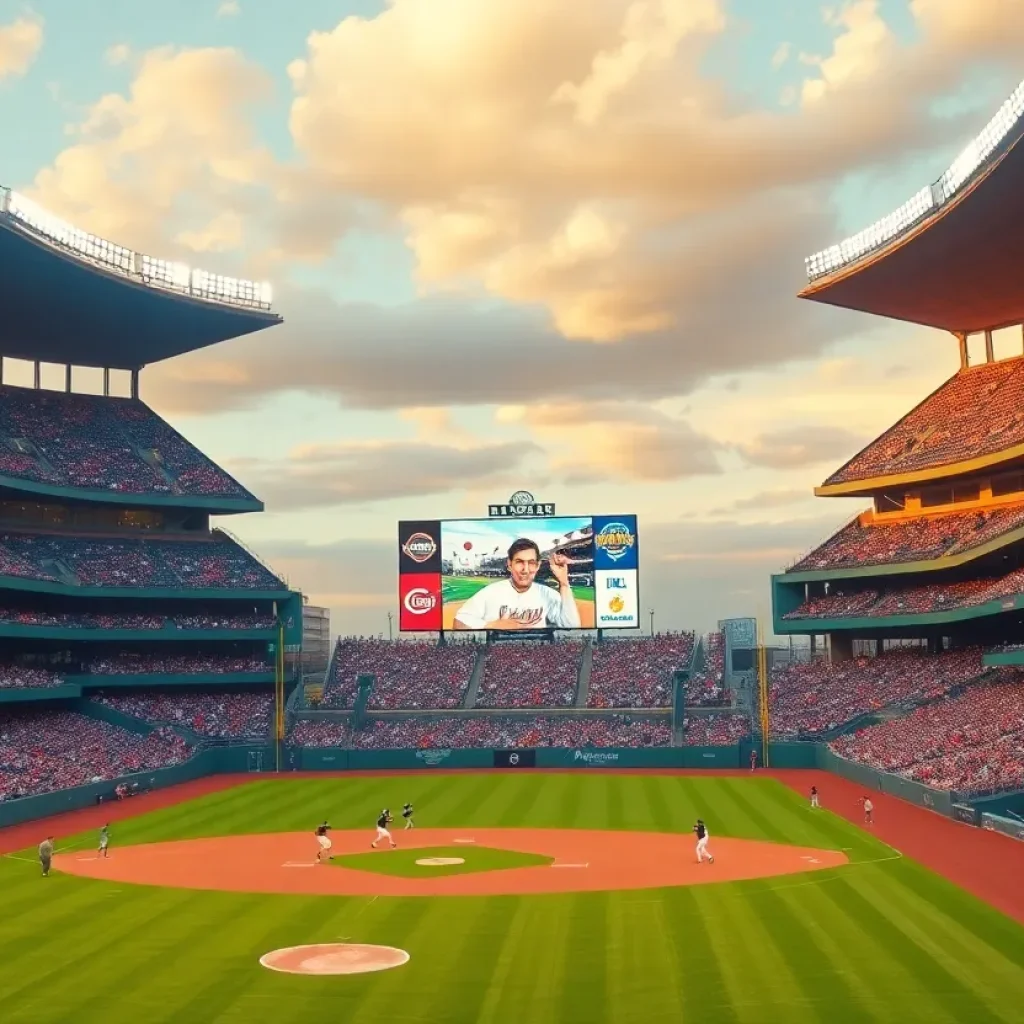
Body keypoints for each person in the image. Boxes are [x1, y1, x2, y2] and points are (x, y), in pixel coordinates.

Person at [453, 538, 582, 630]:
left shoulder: (548, 594)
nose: (525, 569)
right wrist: (491, 625)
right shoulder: (490, 592)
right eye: (520, 562)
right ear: (509, 565)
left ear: (537, 566)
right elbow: (459, 622)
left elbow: (572, 626)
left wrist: (564, 584)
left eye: (531, 563)